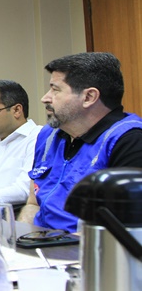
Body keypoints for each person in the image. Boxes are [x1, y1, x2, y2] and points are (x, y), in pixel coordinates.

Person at [18, 52, 142, 233]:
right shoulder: (48, 135)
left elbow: (125, 227)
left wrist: (62, 251)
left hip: (86, 252)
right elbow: (33, 203)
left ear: (89, 97)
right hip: (42, 247)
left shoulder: (129, 140)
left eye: (55, 89)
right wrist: (22, 241)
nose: (45, 98)